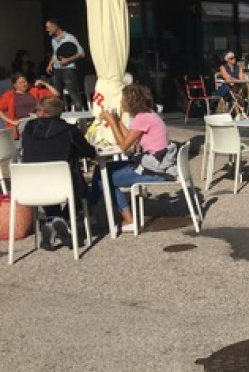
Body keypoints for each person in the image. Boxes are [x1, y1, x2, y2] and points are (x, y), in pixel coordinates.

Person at [90, 84, 176, 234]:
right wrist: (117, 121)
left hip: (155, 169)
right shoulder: (147, 115)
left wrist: (111, 122)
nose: (121, 102)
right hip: (155, 163)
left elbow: (124, 146)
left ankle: (125, 219)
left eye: (123, 99)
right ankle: (93, 212)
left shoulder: (143, 118)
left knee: (105, 178)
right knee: (100, 169)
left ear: (130, 101)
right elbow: (131, 140)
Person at [21, 96, 97, 250]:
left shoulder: (29, 128)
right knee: (82, 190)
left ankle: (52, 219)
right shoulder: (69, 130)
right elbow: (88, 152)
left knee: (47, 177)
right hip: (64, 185)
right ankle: (64, 219)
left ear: (41, 112)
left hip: (31, 186)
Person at [44, 18, 87, 111]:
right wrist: (50, 64)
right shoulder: (53, 40)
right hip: (57, 70)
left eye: (48, 27)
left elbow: (81, 53)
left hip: (68, 69)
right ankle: (58, 117)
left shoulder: (69, 38)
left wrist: (68, 60)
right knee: (57, 94)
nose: (47, 29)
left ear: (55, 26)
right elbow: (55, 53)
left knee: (73, 94)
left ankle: (81, 118)